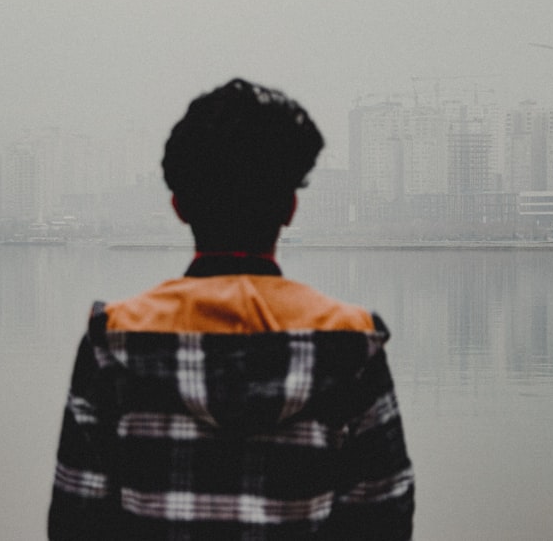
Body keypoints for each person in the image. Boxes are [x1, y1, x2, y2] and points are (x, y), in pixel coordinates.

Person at [48, 78, 414, 539]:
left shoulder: (114, 342)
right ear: (290, 208)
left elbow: (75, 524)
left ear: (179, 207)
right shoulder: (350, 344)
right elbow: (384, 524)